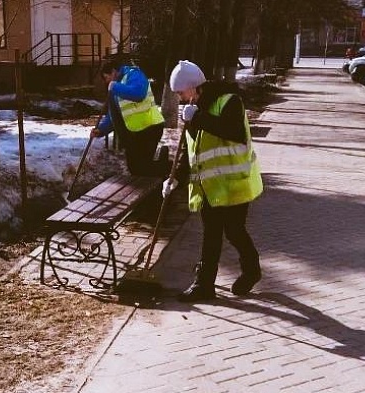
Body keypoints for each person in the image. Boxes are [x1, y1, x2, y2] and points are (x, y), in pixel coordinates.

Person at [163, 60, 264, 302]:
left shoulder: (229, 101)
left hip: (235, 183)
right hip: (211, 187)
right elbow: (191, 149)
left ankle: (252, 270)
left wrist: (198, 118)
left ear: (193, 87)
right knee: (211, 235)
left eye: (180, 92)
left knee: (234, 231)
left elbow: (232, 131)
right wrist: (174, 178)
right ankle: (204, 285)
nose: (179, 97)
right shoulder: (193, 109)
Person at [90, 58, 167, 177]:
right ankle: (162, 167)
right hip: (134, 132)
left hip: (151, 127)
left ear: (113, 71)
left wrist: (115, 87)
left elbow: (138, 94)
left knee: (143, 168)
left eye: (106, 77)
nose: (106, 82)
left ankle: (166, 168)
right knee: (134, 168)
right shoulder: (115, 89)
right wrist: (101, 130)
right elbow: (112, 115)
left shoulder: (134, 74)